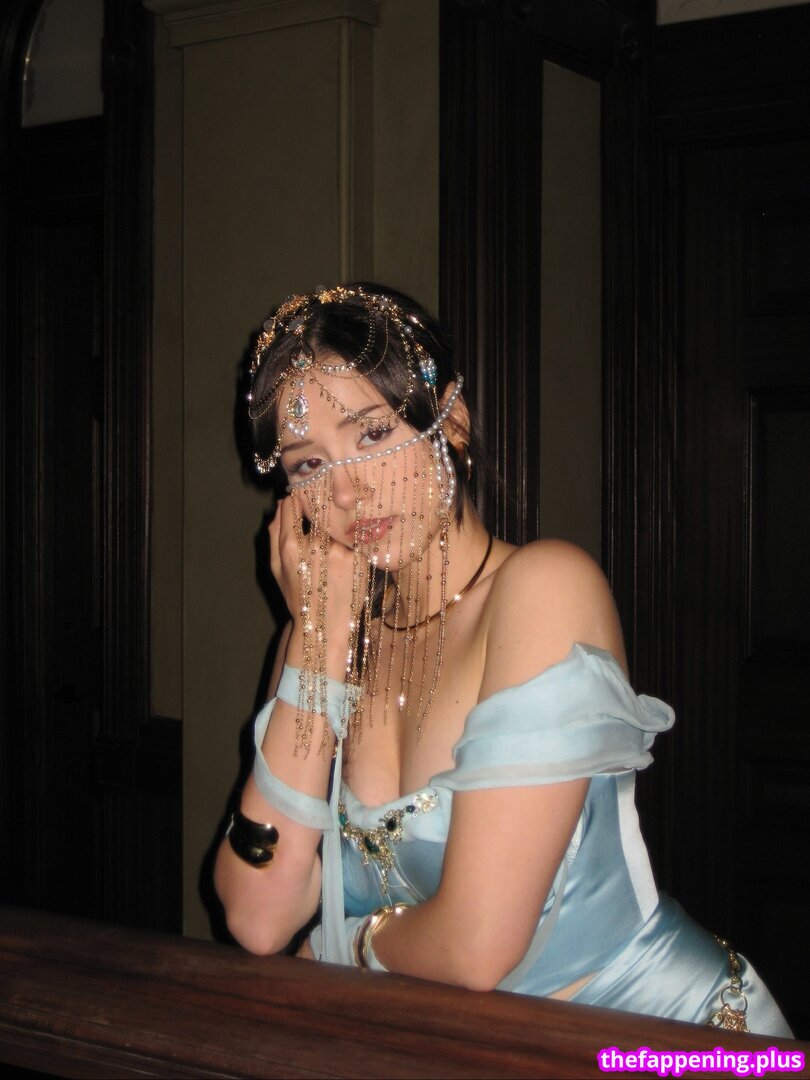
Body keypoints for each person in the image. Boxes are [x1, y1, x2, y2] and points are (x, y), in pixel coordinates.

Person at [214, 283, 792, 1037]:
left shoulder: (545, 589)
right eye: (307, 465)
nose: (348, 490)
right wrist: (318, 638)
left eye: (373, 434)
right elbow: (258, 916)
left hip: (656, 1040)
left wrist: (345, 945)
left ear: (450, 422)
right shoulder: (320, 640)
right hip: (477, 1050)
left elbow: (477, 945)